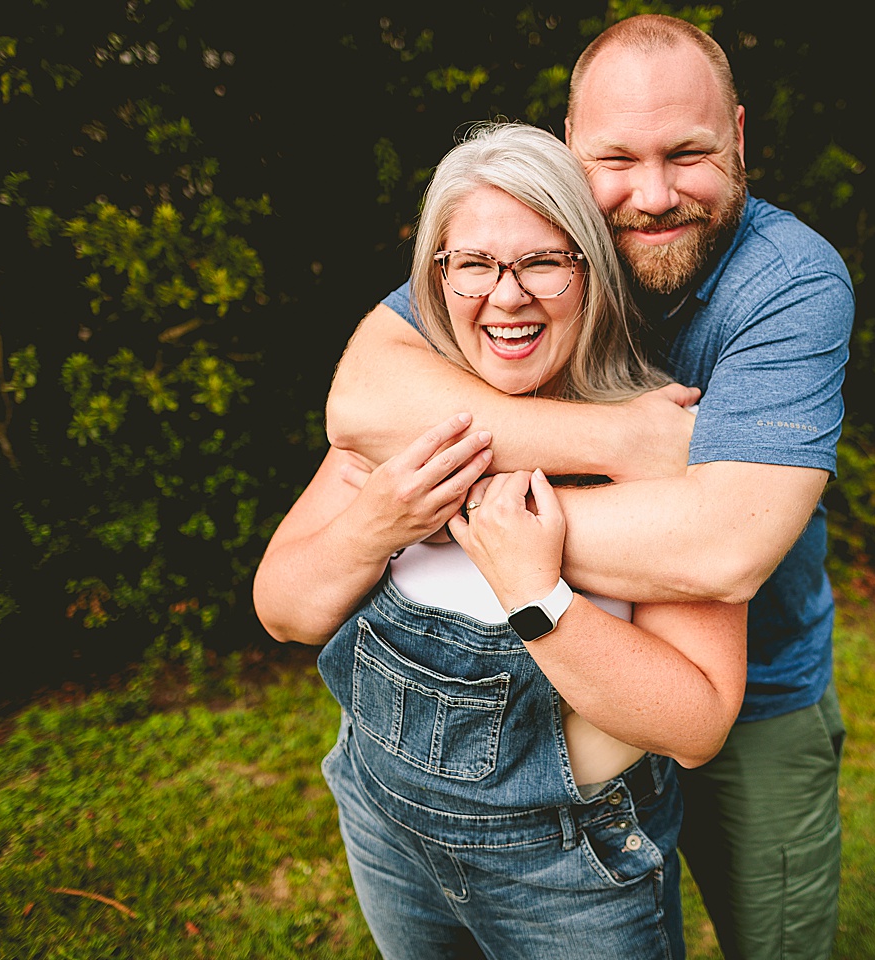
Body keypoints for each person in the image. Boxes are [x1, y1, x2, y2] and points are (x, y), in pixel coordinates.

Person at [318, 15, 854, 960]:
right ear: (573, 153)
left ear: (738, 137)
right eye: (617, 159)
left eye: (687, 153)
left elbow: (722, 549)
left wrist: (460, 519)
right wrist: (620, 440)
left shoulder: (787, 282)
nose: (652, 195)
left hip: (756, 683)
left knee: (775, 941)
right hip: (565, 692)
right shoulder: (526, 242)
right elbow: (361, 396)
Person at [254, 122, 747, 960]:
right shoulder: (403, 418)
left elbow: (696, 723)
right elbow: (284, 612)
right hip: (383, 823)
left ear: (591, 268)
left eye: (543, 262)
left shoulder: (659, 435)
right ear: (436, 278)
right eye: (474, 264)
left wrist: (541, 599)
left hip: (565, 869)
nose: (505, 295)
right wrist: (377, 524)